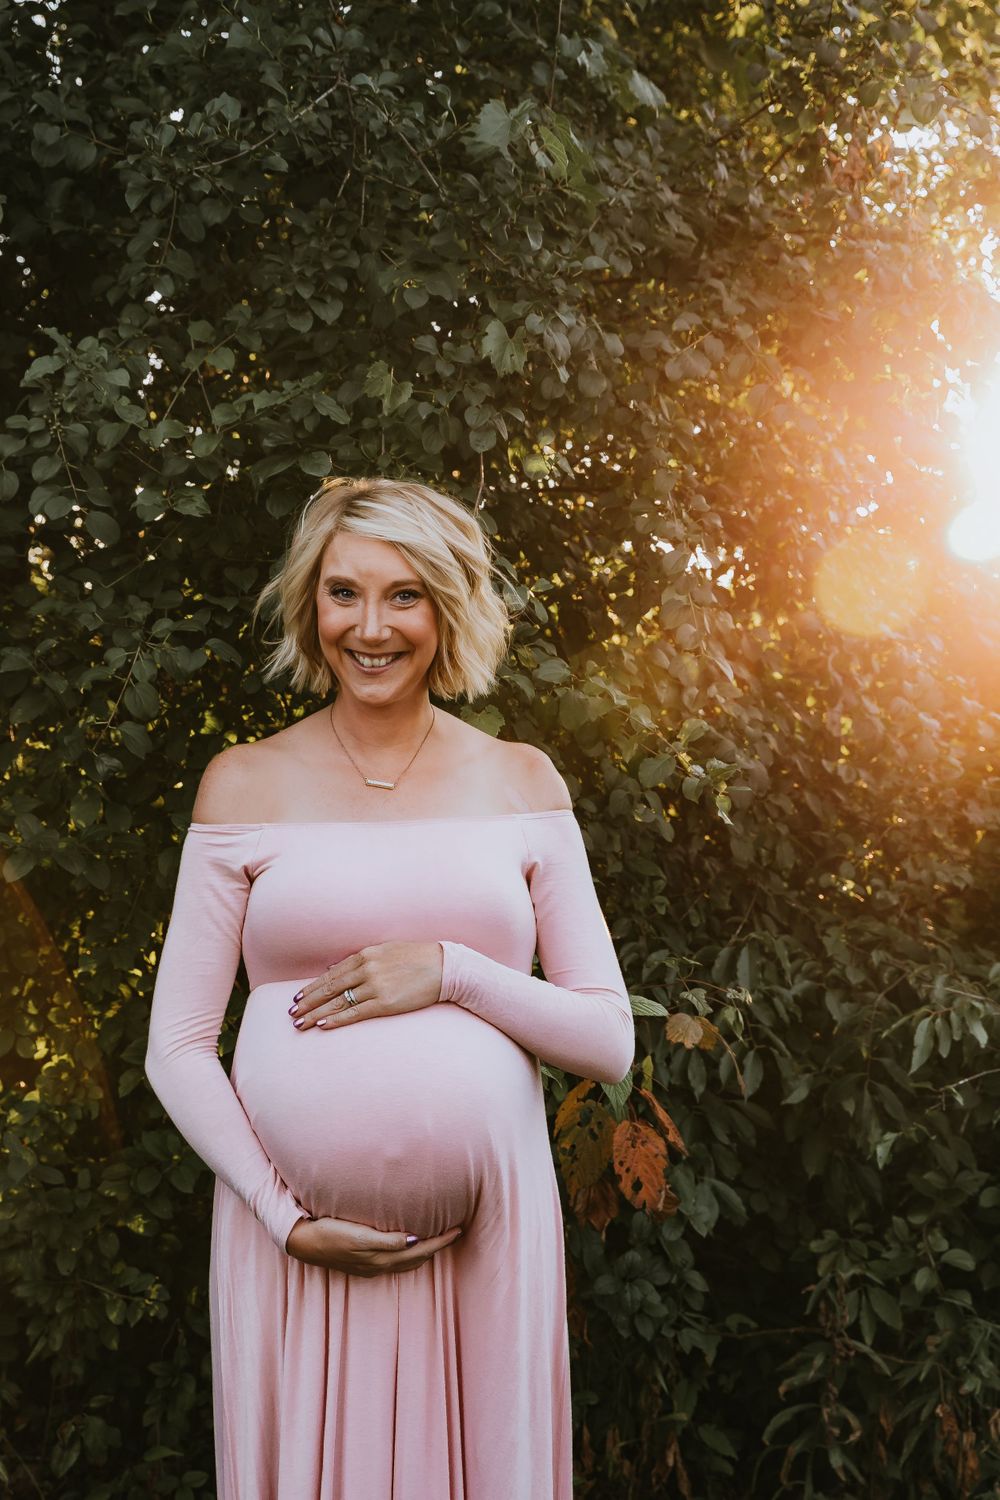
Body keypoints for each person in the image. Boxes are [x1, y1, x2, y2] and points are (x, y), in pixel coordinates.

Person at [144, 475, 635, 1500]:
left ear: (447, 608)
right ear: (310, 605)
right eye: (344, 593)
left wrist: (451, 971)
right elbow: (178, 1047)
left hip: (485, 1246)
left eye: (404, 595)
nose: (370, 628)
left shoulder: (520, 781)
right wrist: (283, 1218)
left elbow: (607, 1039)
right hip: (291, 1245)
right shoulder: (243, 783)